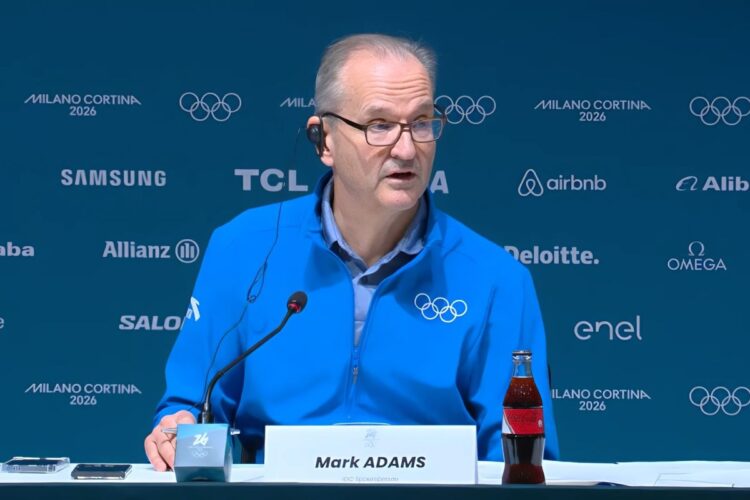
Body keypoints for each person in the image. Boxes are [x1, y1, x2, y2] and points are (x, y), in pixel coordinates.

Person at [144, 33, 560, 471]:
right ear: (324, 140)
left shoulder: (497, 279)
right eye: (379, 125)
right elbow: (192, 406)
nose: (406, 149)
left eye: (421, 122)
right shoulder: (241, 247)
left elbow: (520, 460)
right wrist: (177, 428)